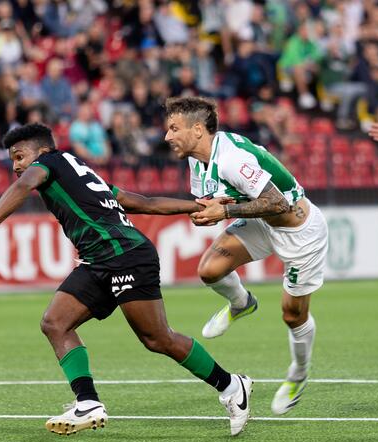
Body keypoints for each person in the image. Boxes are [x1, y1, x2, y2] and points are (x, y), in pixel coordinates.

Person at [0, 123, 252, 437]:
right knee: (55, 323)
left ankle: (232, 386)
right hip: (99, 260)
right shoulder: (77, 169)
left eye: (20, 156)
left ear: (41, 151)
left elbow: (22, 186)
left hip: (125, 254)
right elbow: (140, 202)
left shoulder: (49, 163)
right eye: (13, 160)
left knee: (157, 339)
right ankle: (87, 402)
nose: (16, 165)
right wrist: (194, 205)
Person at [113, 96, 328, 416]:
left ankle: (298, 374)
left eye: (174, 129)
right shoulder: (198, 157)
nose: (166, 137)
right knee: (210, 270)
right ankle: (242, 303)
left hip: (300, 232)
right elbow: (207, 200)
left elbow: (279, 203)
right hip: (262, 222)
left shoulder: (229, 159)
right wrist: (208, 211)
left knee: (292, 316)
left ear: (198, 130)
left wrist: (225, 210)